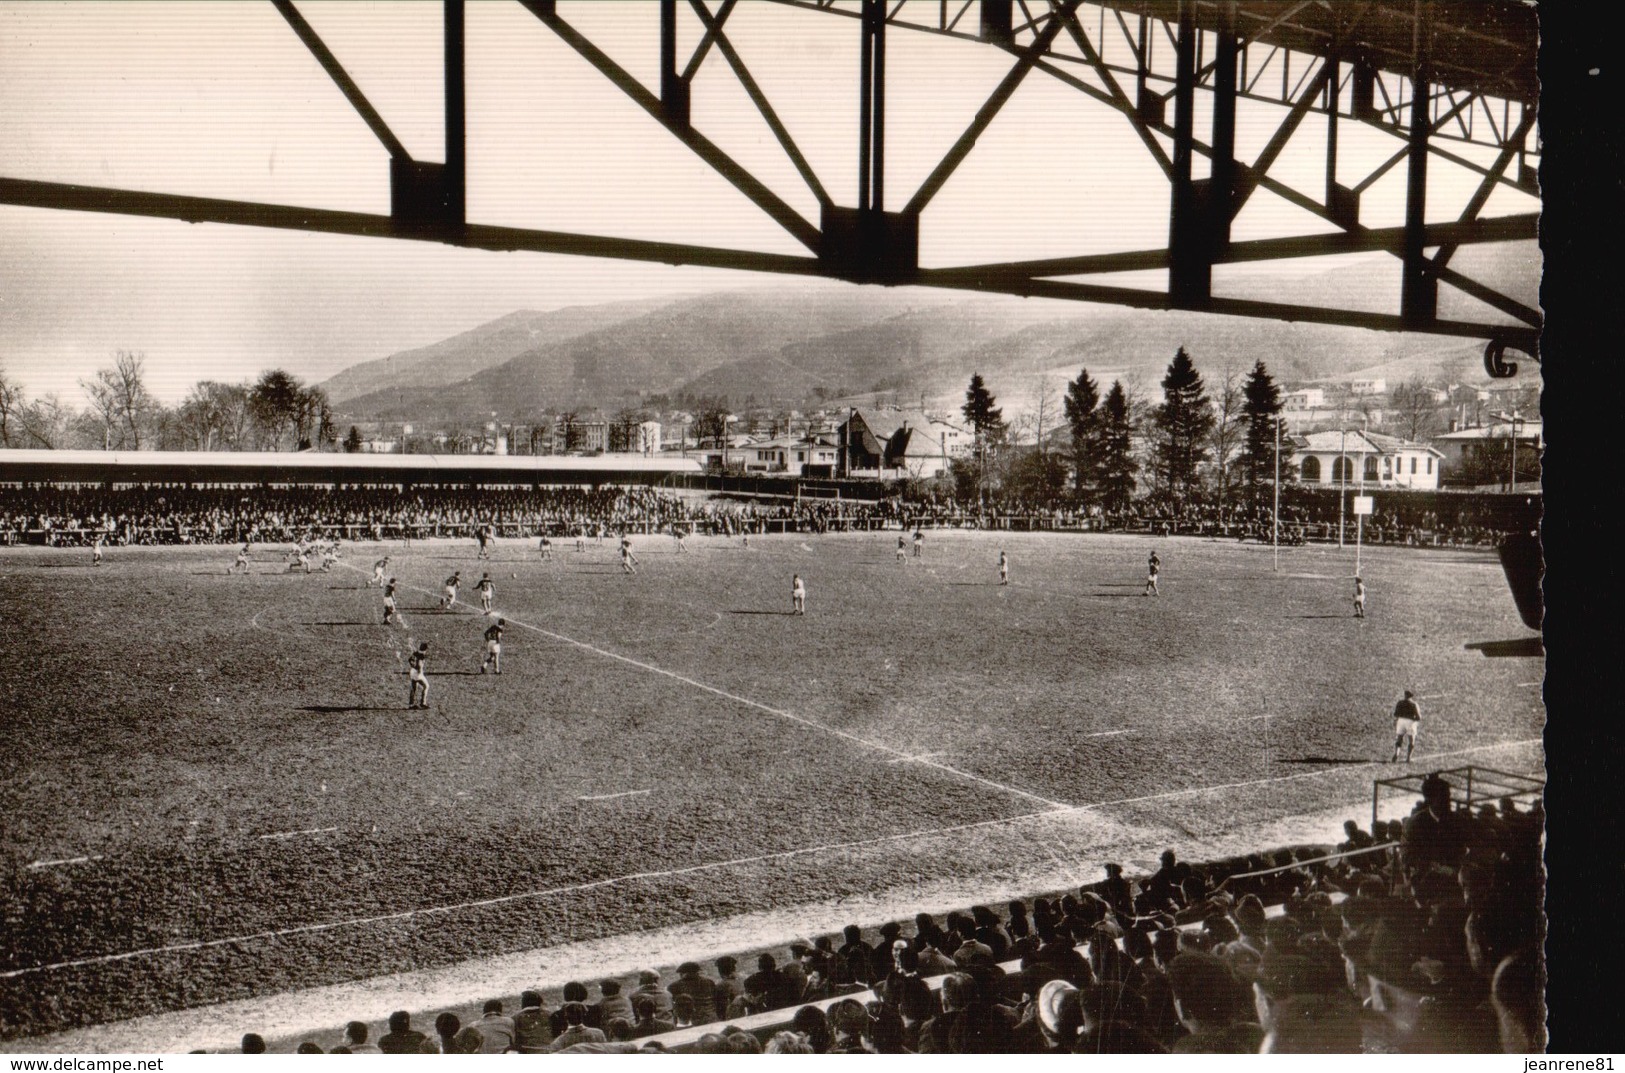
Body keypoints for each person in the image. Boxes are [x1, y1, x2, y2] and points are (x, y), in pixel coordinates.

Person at [1391, 690, 1421, 762]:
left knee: (1399, 739)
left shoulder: (1400, 703)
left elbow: (1395, 714)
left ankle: (1397, 753)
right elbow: (1418, 717)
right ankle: (1408, 758)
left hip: (1400, 721)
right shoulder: (1414, 704)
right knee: (1411, 741)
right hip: (1410, 722)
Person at [407, 642, 430, 709]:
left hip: (412, 672)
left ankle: (411, 704)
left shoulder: (415, 653)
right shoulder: (422, 655)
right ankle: (423, 703)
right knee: (426, 686)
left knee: (414, 688)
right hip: (418, 673)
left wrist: (412, 665)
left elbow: (410, 659)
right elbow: (419, 664)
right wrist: (419, 670)